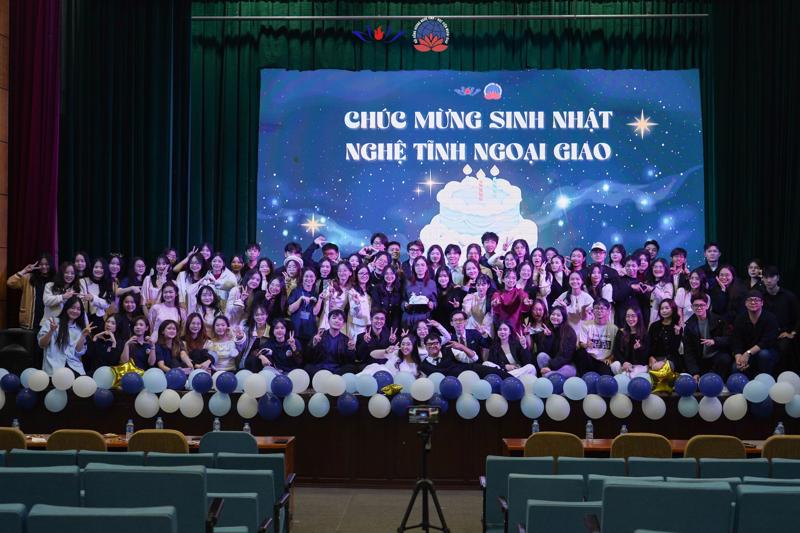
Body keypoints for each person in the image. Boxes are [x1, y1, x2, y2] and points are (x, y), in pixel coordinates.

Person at [37, 295, 92, 376]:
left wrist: (83, 336)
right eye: (72, 307)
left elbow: (78, 353)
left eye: (78, 309)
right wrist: (51, 331)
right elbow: (41, 344)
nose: (75, 311)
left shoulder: (80, 329)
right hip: (55, 367)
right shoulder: (53, 322)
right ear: (66, 308)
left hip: (75, 367)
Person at [731, 290, 780, 377]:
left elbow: (767, 341)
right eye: (750, 300)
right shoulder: (740, 319)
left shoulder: (770, 318)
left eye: (756, 300)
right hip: (747, 354)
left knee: (763, 354)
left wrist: (748, 353)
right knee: (736, 367)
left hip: (767, 351)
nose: (753, 302)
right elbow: (736, 341)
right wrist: (738, 357)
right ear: (745, 303)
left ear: (762, 303)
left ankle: (765, 379)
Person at [682, 296, 732, 380]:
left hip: (716, 356)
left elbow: (729, 339)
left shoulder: (718, 320)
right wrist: (694, 372)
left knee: (725, 358)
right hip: (701, 359)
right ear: (692, 307)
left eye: (701, 305)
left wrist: (715, 341)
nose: (699, 308)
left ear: (707, 306)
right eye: (696, 305)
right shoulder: (689, 326)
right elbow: (689, 352)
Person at [761, 267, 799, 372]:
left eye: (772, 277)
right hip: (765, 336)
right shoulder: (760, 297)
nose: (769, 280)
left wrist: (793, 333)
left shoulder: (789, 297)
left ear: (778, 278)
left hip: (783, 335)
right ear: (762, 279)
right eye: (766, 277)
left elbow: (798, 317)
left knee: (784, 348)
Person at [7, 253, 56, 330]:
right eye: (41, 264)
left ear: (51, 265)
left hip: (48, 322)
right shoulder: (28, 277)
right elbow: (10, 283)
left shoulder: (55, 279)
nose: (44, 267)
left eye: (47, 264)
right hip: (30, 322)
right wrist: (24, 270)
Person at [305, 309, 356, 375]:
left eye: (340, 319)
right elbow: (308, 358)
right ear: (328, 321)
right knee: (308, 367)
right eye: (334, 318)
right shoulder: (319, 336)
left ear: (343, 324)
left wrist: (351, 350)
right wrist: (314, 344)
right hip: (320, 369)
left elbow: (350, 361)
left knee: (351, 368)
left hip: (337, 371)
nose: (337, 321)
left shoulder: (346, 339)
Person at [575, 299, 618, 376]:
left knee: (605, 376)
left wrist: (610, 358)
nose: (599, 311)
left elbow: (616, 349)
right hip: (589, 359)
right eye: (596, 308)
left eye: (602, 308)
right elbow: (581, 343)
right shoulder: (586, 325)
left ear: (608, 311)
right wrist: (586, 345)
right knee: (580, 353)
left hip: (604, 361)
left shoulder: (614, 329)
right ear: (593, 311)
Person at [535, 306, 578, 378]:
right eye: (553, 314)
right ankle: (549, 376)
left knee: (549, 375)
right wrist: (548, 338)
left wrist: (550, 367)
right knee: (541, 356)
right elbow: (543, 351)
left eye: (558, 315)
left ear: (563, 317)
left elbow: (565, 356)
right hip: (552, 363)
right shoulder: (548, 329)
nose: (555, 317)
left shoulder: (569, 332)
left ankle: (548, 376)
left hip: (566, 365)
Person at [646, 299, 683, 374]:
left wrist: (677, 334)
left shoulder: (677, 327)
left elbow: (674, 350)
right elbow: (649, 344)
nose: (664, 311)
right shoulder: (654, 326)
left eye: (667, 308)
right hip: (655, 359)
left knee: (660, 369)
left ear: (673, 309)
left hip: (671, 360)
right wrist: (650, 357)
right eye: (662, 308)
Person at [610, 306, 649, 376]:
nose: (630, 319)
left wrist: (638, 349)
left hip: (638, 365)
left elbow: (645, 358)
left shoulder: (644, 334)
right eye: (628, 316)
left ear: (638, 317)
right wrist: (624, 362)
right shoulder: (621, 332)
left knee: (630, 374)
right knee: (615, 365)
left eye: (633, 316)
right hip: (624, 364)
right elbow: (616, 351)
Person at [287, 268, 322, 344]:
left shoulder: (315, 294)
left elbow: (315, 312)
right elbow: (291, 309)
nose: (309, 279)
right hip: (296, 330)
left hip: (310, 331)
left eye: (311, 276)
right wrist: (300, 299)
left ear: (315, 278)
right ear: (302, 277)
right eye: (306, 276)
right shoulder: (296, 291)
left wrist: (320, 299)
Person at [491, 268, 532, 332]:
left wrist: (526, 301)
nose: (511, 280)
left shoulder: (519, 292)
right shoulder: (498, 294)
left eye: (513, 278)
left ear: (516, 280)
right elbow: (496, 300)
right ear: (503, 279)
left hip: (517, 327)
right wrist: (495, 303)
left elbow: (524, 296)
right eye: (508, 277)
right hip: (503, 329)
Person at [234, 301, 271, 372]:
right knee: (253, 360)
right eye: (257, 315)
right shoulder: (247, 328)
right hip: (247, 361)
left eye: (262, 314)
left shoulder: (271, 330)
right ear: (253, 317)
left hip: (265, 362)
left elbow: (270, 350)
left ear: (267, 315)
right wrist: (240, 338)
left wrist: (261, 356)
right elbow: (240, 349)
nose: (260, 317)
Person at [402, 256, 437, 328]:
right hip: (409, 318)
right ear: (413, 267)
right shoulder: (407, 282)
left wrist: (432, 305)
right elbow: (402, 300)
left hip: (425, 318)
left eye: (422, 265)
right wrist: (404, 305)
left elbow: (435, 302)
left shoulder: (432, 283)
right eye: (417, 265)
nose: (420, 267)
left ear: (426, 267)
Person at [80, 258, 113, 329]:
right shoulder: (83, 281)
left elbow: (106, 304)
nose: (98, 270)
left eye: (101, 268)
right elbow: (81, 299)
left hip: (99, 319)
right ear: (92, 268)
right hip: (83, 317)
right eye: (96, 267)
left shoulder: (107, 283)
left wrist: (93, 298)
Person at [370, 266, 402, 330]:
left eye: (392, 273)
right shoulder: (377, 288)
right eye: (386, 273)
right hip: (380, 323)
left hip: (395, 324)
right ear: (383, 275)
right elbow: (375, 307)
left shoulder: (399, 288)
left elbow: (398, 310)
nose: (389, 276)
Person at [648, 258, 674, 325]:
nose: (657, 269)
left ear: (665, 269)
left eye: (661, 267)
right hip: (645, 317)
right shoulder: (648, 282)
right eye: (655, 267)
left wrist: (654, 290)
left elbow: (666, 302)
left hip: (657, 320)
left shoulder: (668, 285)